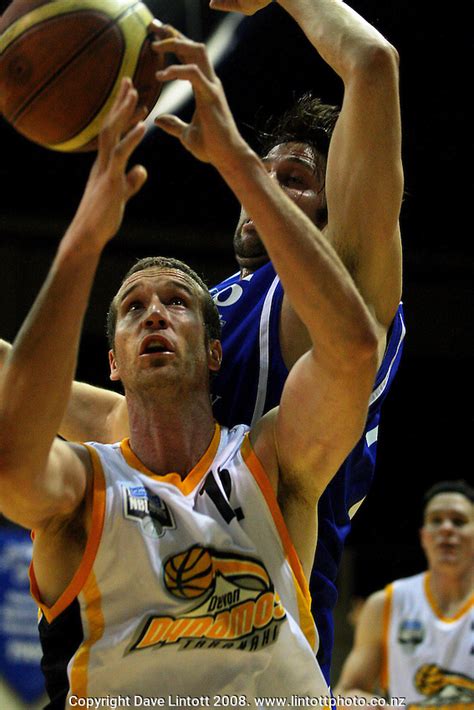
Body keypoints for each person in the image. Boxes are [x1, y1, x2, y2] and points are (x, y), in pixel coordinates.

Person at [0, 0, 405, 683]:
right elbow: (101, 410)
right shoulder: (202, 305)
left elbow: (373, 63)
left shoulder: (330, 293)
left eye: (296, 182)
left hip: (275, 588)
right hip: (157, 546)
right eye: (261, 177)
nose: (266, 189)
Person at [335, 480, 474, 707]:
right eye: (436, 521)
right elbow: (347, 691)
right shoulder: (387, 603)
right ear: (424, 537)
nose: (446, 528)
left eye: (459, 521)